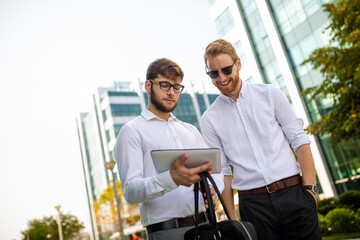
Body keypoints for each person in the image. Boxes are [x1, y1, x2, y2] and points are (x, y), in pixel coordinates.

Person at [200, 39, 321, 240]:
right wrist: (232, 220)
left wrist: (310, 191)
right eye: (214, 73)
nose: (221, 78)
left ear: (238, 64)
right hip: (253, 206)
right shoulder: (209, 119)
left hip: (294, 195)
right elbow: (223, 172)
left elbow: (299, 140)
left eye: (226, 70)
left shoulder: (270, 94)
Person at [114, 58, 224, 240]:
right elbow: (131, 191)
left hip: (206, 227)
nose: (172, 92)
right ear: (148, 86)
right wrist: (170, 179)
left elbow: (214, 169)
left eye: (177, 87)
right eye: (165, 85)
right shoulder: (131, 131)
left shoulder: (190, 130)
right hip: (166, 232)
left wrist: (212, 190)